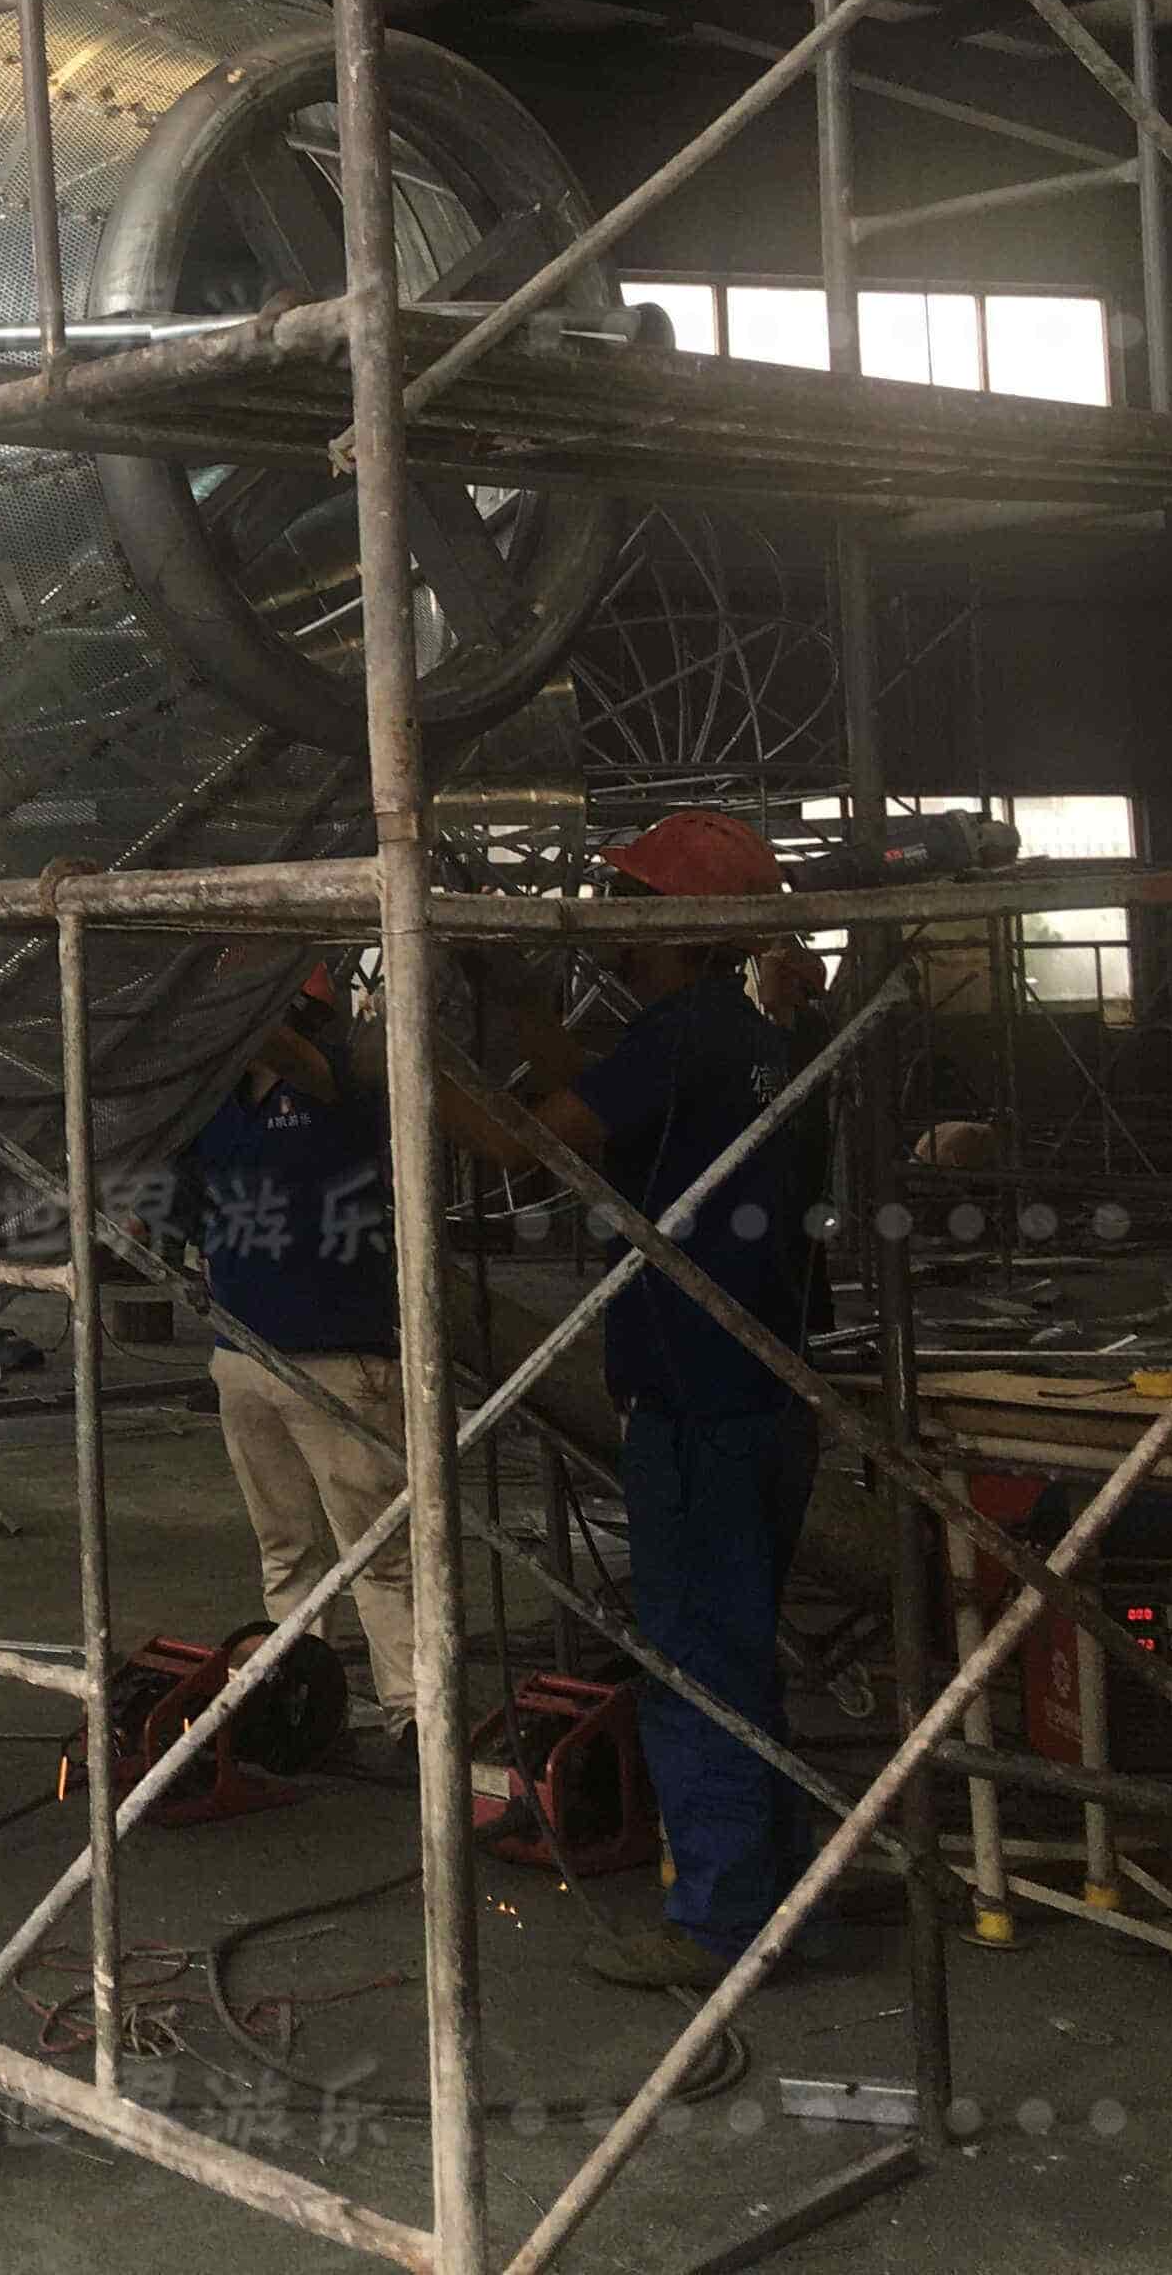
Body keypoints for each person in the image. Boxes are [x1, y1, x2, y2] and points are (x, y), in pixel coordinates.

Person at [444, 807, 821, 1990]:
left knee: (699, 1665)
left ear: (683, 926)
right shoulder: (751, 1035)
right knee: (740, 1653)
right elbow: (599, 1089)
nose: (609, 920)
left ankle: (718, 1923)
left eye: (631, 903)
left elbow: (523, 1143)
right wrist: (516, 1006)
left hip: (696, 1395)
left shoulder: (686, 1034)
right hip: (767, 1385)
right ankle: (779, 1888)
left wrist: (400, 1059)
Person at [183, 965, 416, 1716]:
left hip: (337, 1357)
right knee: (286, 1549)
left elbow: (299, 1059)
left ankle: (415, 1714)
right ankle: (301, 1704)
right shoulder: (219, 1102)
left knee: (379, 1553)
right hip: (242, 1353)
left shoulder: (336, 1081)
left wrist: (224, 992)